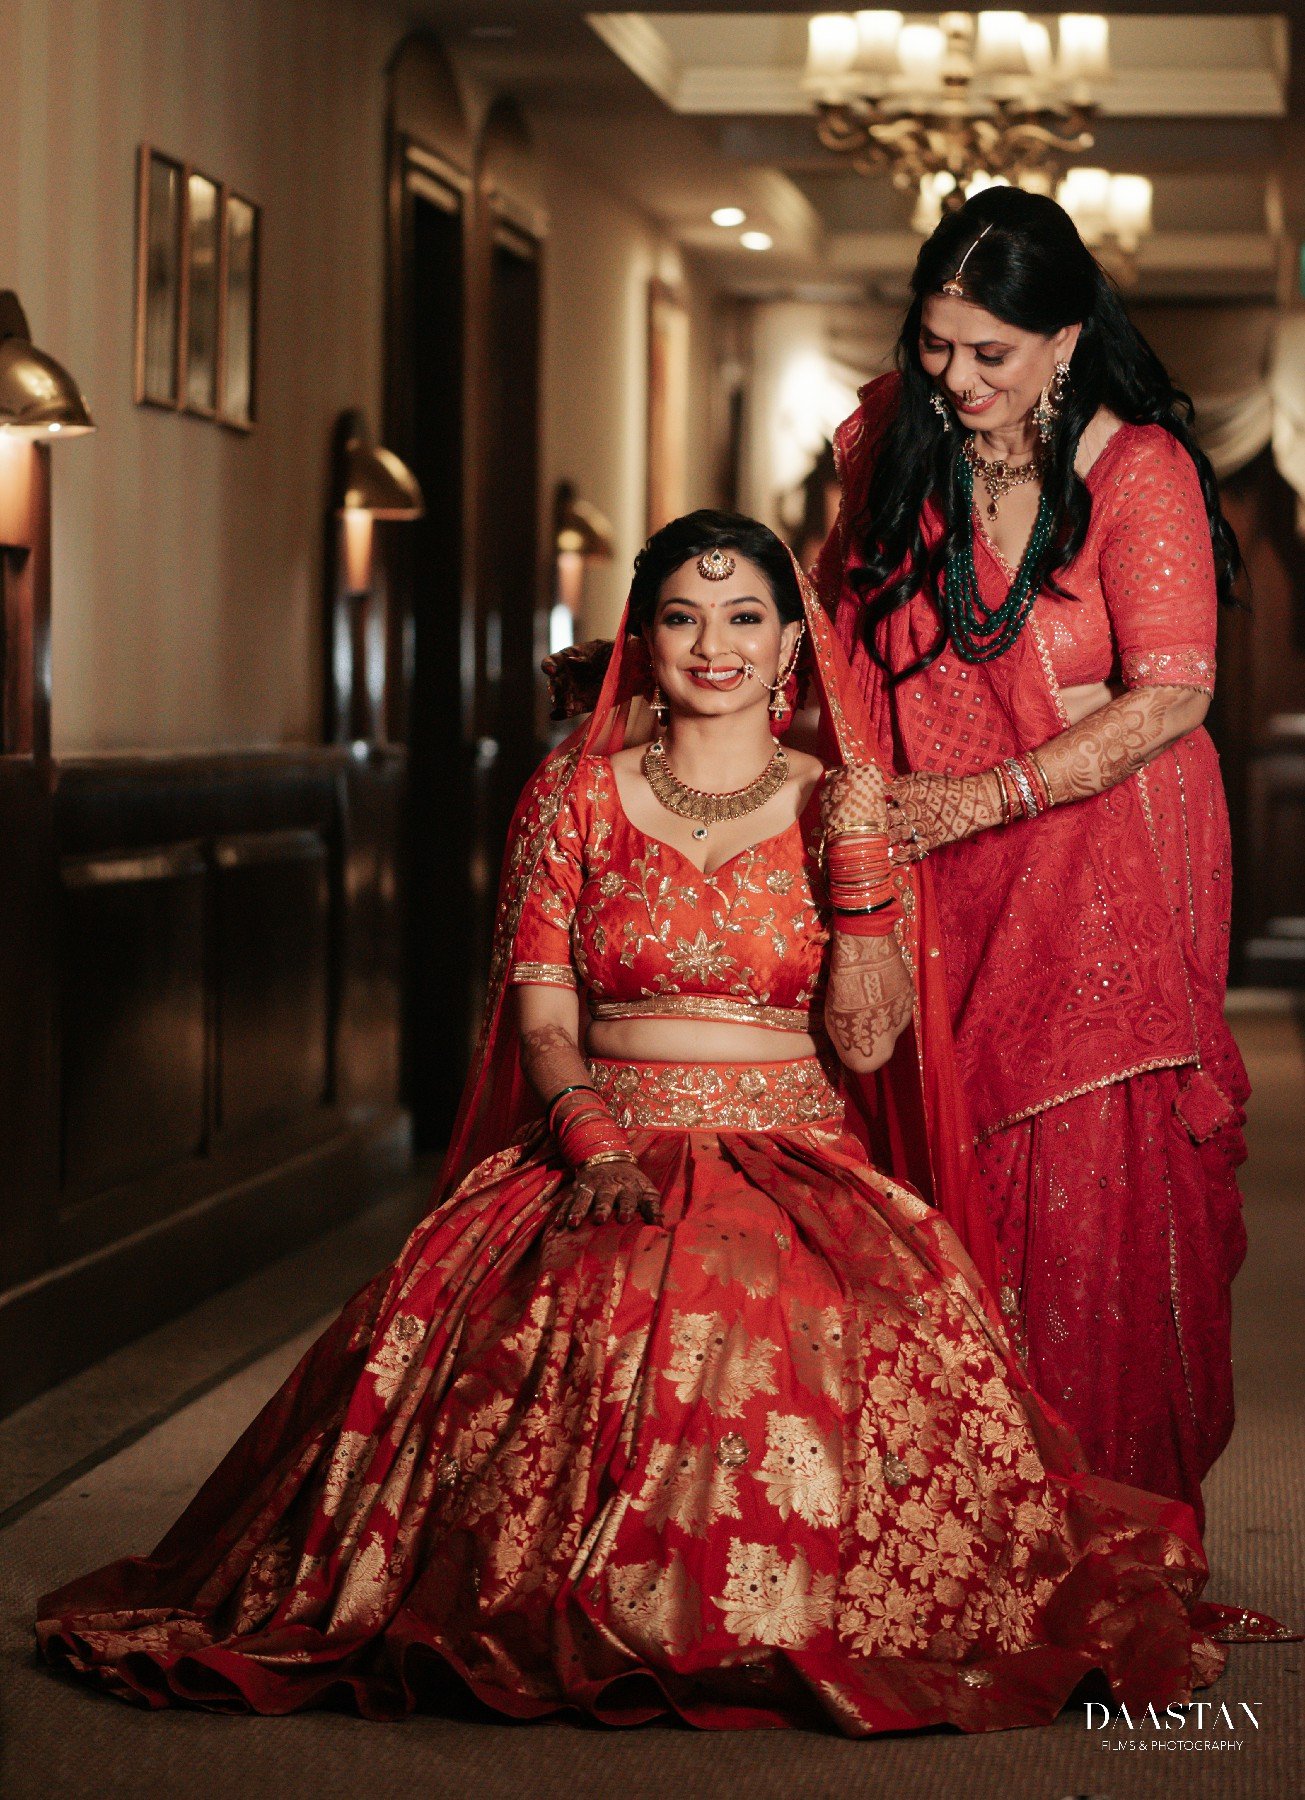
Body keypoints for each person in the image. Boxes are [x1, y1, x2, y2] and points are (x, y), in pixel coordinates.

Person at [40, 510, 1254, 1733]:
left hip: (792, 1153)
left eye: (742, 618)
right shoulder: (571, 796)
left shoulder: (843, 802)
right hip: (602, 1137)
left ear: (791, 644)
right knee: (566, 1312)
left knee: (794, 1315)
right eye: (682, 616)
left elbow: (874, 1044)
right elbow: (542, 1017)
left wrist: (861, 871)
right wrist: (592, 1141)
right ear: (645, 635)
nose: (711, 644)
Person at [814, 186, 1249, 1527]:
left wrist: (992, 790)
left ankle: (1094, 1511)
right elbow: (839, 658)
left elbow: (1171, 689)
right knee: (946, 1162)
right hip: (944, 857)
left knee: (1086, 1167)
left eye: (989, 352)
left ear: (1063, 339)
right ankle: (955, 1512)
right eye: (935, 345)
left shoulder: (1140, 471)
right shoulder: (901, 449)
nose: (953, 378)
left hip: (1107, 845)